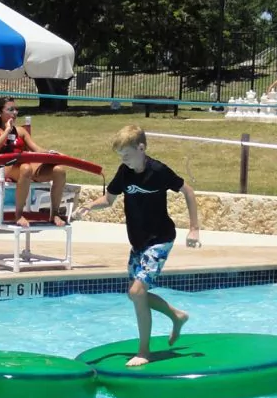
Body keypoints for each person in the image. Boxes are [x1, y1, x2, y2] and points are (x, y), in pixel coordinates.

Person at [72, 124, 200, 366]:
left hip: (160, 239)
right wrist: (89, 206)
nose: (125, 161)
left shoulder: (158, 170)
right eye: (121, 157)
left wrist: (194, 228)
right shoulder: (125, 172)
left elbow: (188, 191)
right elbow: (109, 199)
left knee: (136, 292)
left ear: (141, 148)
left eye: (128, 155)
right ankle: (177, 316)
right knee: (136, 295)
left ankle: (144, 352)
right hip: (139, 242)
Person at [0, 97, 67, 227]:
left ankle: (54, 213)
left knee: (59, 171)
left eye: (16, 109)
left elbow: (37, 149)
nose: (15, 113)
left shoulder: (21, 131)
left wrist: (52, 153)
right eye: (10, 109)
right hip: (3, 167)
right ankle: (18, 214)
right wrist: (6, 131)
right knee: (26, 168)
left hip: (22, 165)